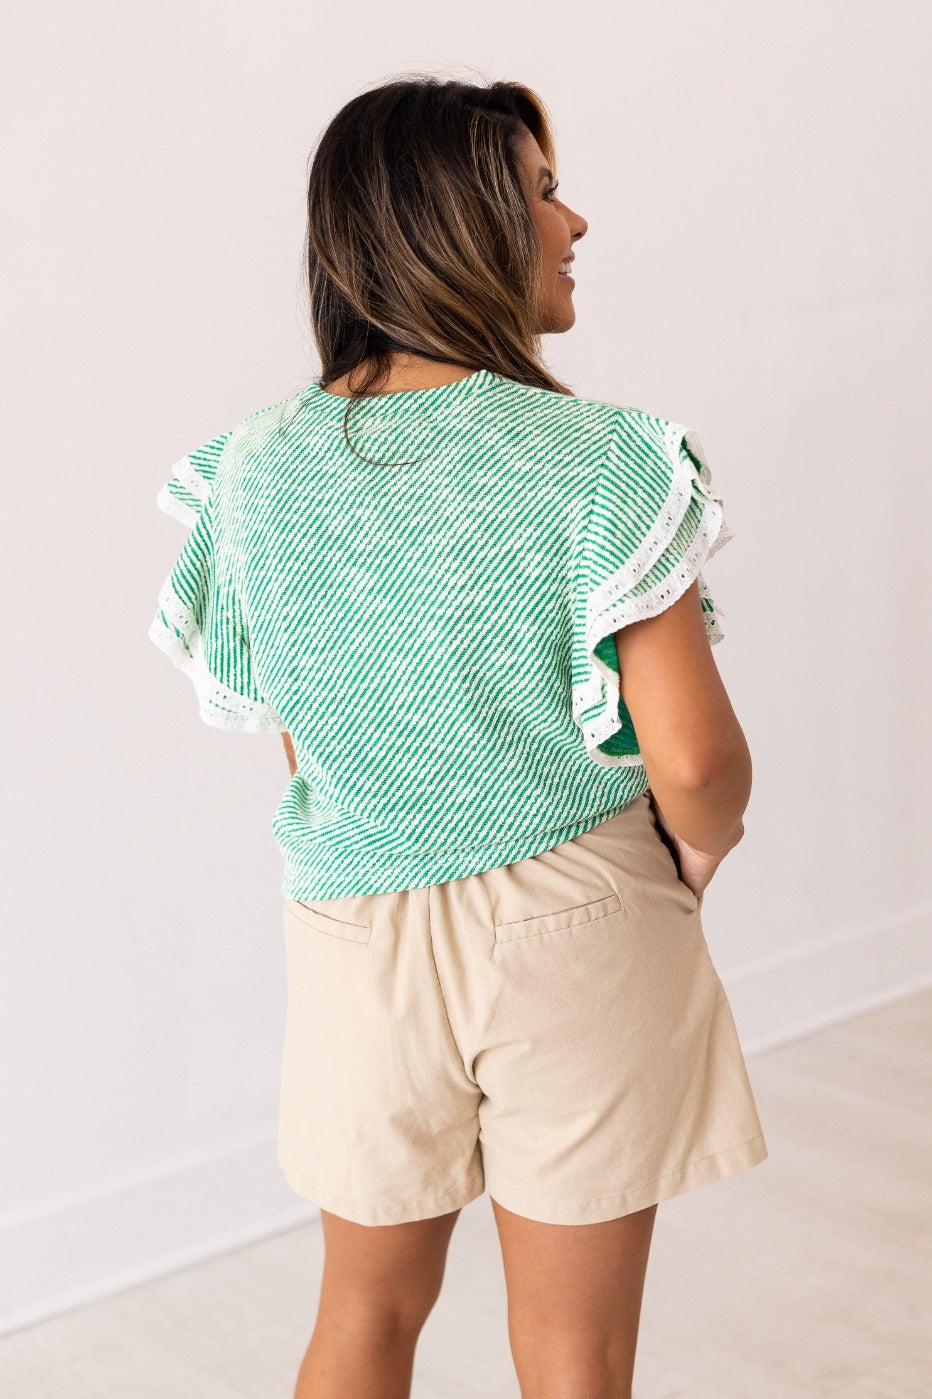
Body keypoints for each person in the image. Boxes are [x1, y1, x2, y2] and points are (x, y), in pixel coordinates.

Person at [148, 75, 768, 1399]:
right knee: (575, 1354)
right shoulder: (602, 460)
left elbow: (305, 734)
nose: (575, 222)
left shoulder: (252, 467)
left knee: (363, 1318)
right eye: (545, 192)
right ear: (460, 223)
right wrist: (697, 853)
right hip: (578, 914)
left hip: (353, 927)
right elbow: (699, 763)